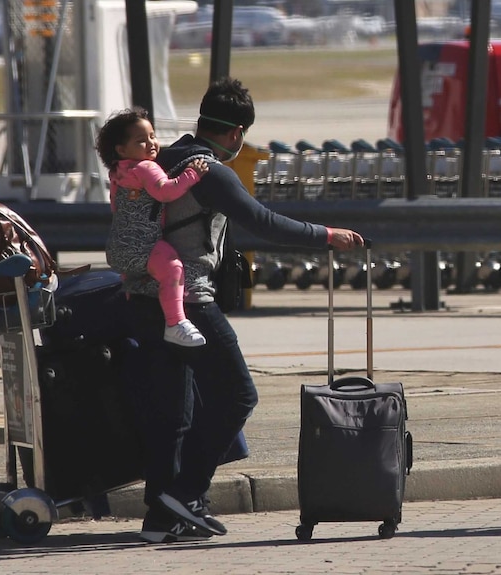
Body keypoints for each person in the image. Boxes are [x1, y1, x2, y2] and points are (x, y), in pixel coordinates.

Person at [111, 77, 365, 544]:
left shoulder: (162, 158)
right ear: (236, 134)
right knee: (237, 396)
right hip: (190, 300)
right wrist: (328, 236)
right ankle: (187, 494)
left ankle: (161, 518)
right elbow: (263, 222)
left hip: (142, 300)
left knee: (174, 412)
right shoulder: (210, 170)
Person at [96, 107, 209, 347]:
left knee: (143, 281)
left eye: (152, 136)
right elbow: (166, 191)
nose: (151, 144)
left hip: (118, 249)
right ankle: (175, 323)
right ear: (121, 149)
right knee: (173, 269)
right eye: (140, 140)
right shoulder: (146, 167)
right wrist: (192, 175)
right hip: (143, 245)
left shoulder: (117, 173)